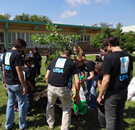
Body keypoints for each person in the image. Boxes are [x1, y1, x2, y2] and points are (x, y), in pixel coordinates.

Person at [97, 36, 133, 130]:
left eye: (106, 47)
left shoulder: (109, 58)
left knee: (111, 119)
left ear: (109, 44)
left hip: (112, 93)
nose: (106, 50)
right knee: (119, 116)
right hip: (123, 91)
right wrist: (124, 85)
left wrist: (100, 95)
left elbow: (106, 80)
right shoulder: (128, 56)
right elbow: (131, 75)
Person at [45, 49, 80, 130]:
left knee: (50, 105)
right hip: (62, 88)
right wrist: (77, 95)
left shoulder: (53, 61)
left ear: (61, 54)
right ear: (70, 56)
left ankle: (50, 124)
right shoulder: (71, 63)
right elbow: (77, 81)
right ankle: (64, 128)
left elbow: (46, 76)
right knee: (66, 108)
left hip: (51, 86)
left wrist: (49, 86)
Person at [2, 38, 27, 130]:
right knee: (21, 104)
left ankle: (8, 125)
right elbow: (19, 72)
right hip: (17, 84)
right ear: (20, 46)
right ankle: (22, 125)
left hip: (9, 82)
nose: (23, 50)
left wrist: (5, 81)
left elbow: (3, 69)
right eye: (23, 48)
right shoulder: (17, 55)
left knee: (10, 104)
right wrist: (24, 85)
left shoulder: (5, 54)